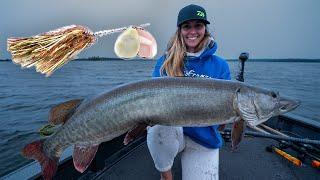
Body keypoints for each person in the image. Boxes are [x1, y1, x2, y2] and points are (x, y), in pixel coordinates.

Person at [124, 4, 231, 180]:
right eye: (187, 26)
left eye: (198, 25)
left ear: (205, 28)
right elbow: (151, 103)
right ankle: (166, 176)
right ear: (180, 30)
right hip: (172, 134)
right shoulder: (165, 61)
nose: (193, 31)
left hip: (204, 138)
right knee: (158, 128)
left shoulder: (220, 65)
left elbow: (222, 121)